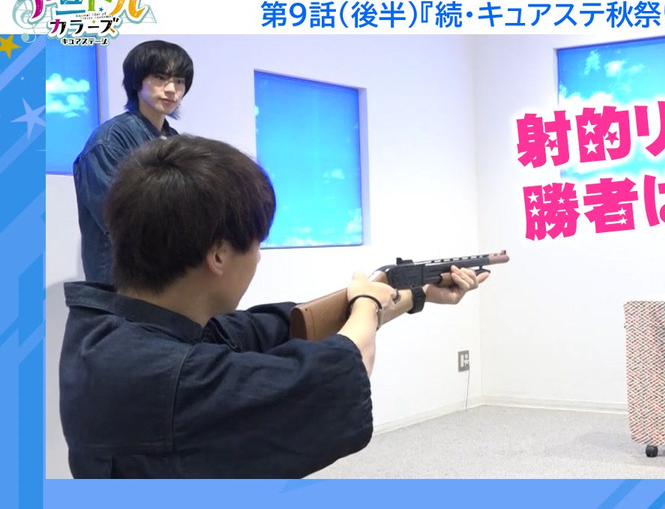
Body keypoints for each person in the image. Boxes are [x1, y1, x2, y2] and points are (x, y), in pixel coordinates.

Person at [59, 135, 487, 479]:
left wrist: (415, 292)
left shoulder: (111, 331)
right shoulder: (169, 377)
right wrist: (364, 303)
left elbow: (283, 327)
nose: (259, 258)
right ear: (219, 255)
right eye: (256, 244)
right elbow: (341, 365)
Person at [73, 39, 194, 284]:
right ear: (137, 81)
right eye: (160, 78)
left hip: (166, 280)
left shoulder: (176, 142)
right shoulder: (109, 141)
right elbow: (119, 218)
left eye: (180, 81)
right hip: (121, 284)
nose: (172, 89)